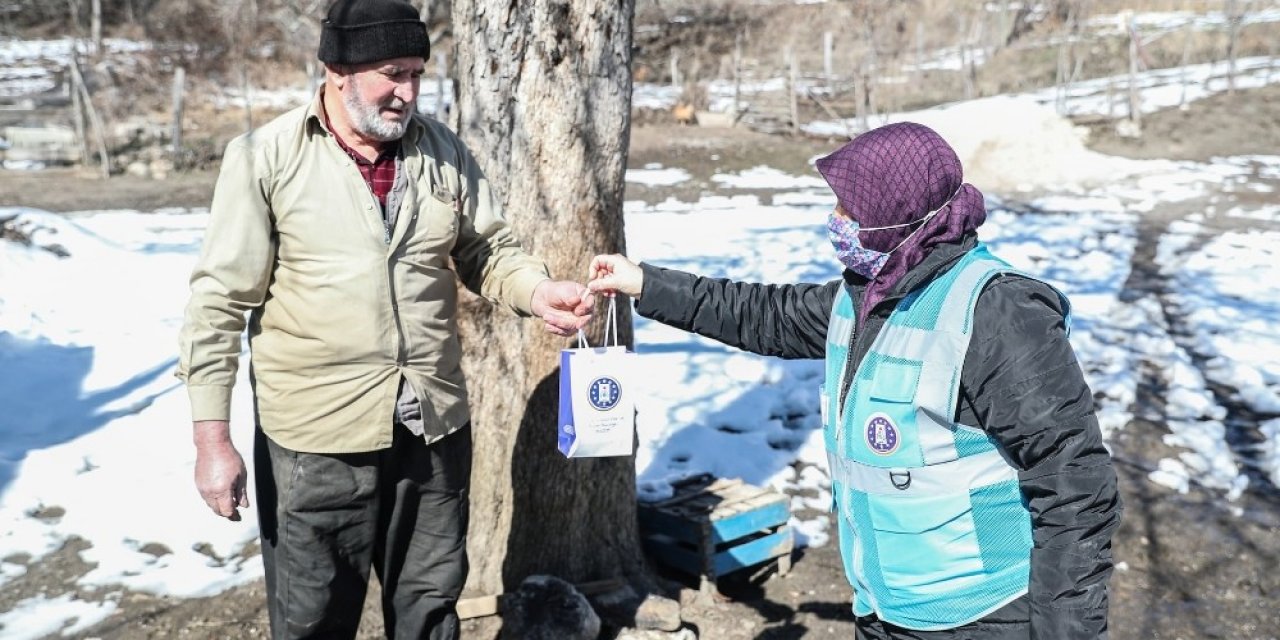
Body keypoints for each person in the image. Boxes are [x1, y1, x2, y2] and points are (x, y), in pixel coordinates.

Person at [588, 122, 1122, 639]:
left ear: (897, 214)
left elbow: (1074, 483)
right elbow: (757, 314)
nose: (836, 217)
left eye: (850, 205)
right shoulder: (861, 297)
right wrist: (643, 284)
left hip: (983, 614)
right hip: (884, 605)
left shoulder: (998, 313)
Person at [176, 0, 593, 637]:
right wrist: (212, 440)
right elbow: (218, 303)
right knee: (314, 617)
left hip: (432, 428)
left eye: (416, 74)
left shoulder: (443, 151)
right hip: (317, 439)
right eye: (391, 73)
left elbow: (487, 249)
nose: (406, 92)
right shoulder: (266, 157)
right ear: (336, 71)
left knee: (430, 610)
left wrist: (536, 292)